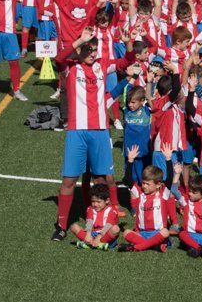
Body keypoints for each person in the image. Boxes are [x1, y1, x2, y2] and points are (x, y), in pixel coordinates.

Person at [52, 26, 129, 241]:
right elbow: (58, 59)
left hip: (100, 131)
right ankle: (61, 225)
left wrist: (127, 44)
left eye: (94, 49)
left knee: (101, 179)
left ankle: (103, 219)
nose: (92, 53)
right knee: (68, 181)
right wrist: (79, 42)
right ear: (80, 50)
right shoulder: (71, 67)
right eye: (88, 49)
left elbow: (125, 63)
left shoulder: (102, 66)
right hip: (77, 130)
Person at [70, 185, 119, 250]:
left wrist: (99, 237)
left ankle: (92, 243)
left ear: (107, 200)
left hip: (105, 235)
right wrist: (88, 234)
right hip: (93, 234)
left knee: (116, 229)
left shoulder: (112, 210)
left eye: (98, 202)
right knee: (73, 226)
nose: (95, 204)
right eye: (93, 201)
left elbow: (109, 225)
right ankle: (97, 244)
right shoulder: (90, 208)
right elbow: (89, 221)